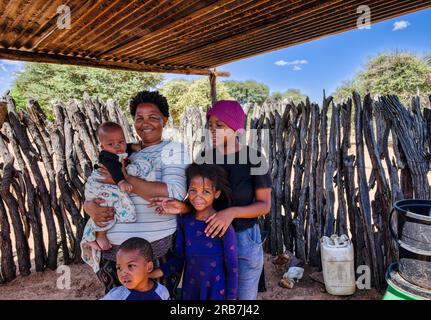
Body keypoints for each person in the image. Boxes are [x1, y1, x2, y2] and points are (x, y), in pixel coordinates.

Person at [149, 100, 272, 300]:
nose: (212, 130)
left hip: (244, 237)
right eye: (210, 125)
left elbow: (264, 205)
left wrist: (230, 213)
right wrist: (181, 207)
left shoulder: (255, 159)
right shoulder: (204, 157)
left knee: (242, 298)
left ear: (236, 128)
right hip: (207, 238)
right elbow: (197, 198)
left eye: (220, 125)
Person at [83, 91, 190, 297]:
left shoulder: (173, 150)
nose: (145, 122)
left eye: (153, 117)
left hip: (156, 251)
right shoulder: (121, 151)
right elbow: (97, 186)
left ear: (164, 120)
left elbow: (174, 193)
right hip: (114, 254)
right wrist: (89, 207)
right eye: (139, 117)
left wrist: (124, 178)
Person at [150, 163, 238, 300]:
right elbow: (179, 258)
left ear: (216, 194)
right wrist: (156, 272)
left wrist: (231, 298)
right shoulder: (185, 221)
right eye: (193, 190)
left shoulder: (222, 225)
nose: (198, 196)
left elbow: (232, 268)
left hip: (216, 290)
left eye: (206, 191)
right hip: (191, 289)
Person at [80, 122, 155, 273]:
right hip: (101, 185)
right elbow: (114, 170)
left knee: (106, 208)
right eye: (111, 143)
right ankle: (99, 236)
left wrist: (132, 146)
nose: (117, 146)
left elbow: (125, 147)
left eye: (120, 141)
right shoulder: (108, 157)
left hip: (108, 184)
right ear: (102, 146)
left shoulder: (119, 149)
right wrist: (121, 181)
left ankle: (90, 237)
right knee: (105, 209)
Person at [102, 237, 169, 300]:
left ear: (149, 267)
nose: (123, 273)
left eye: (130, 266)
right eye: (119, 268)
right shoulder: (117, 296)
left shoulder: (162, 292)